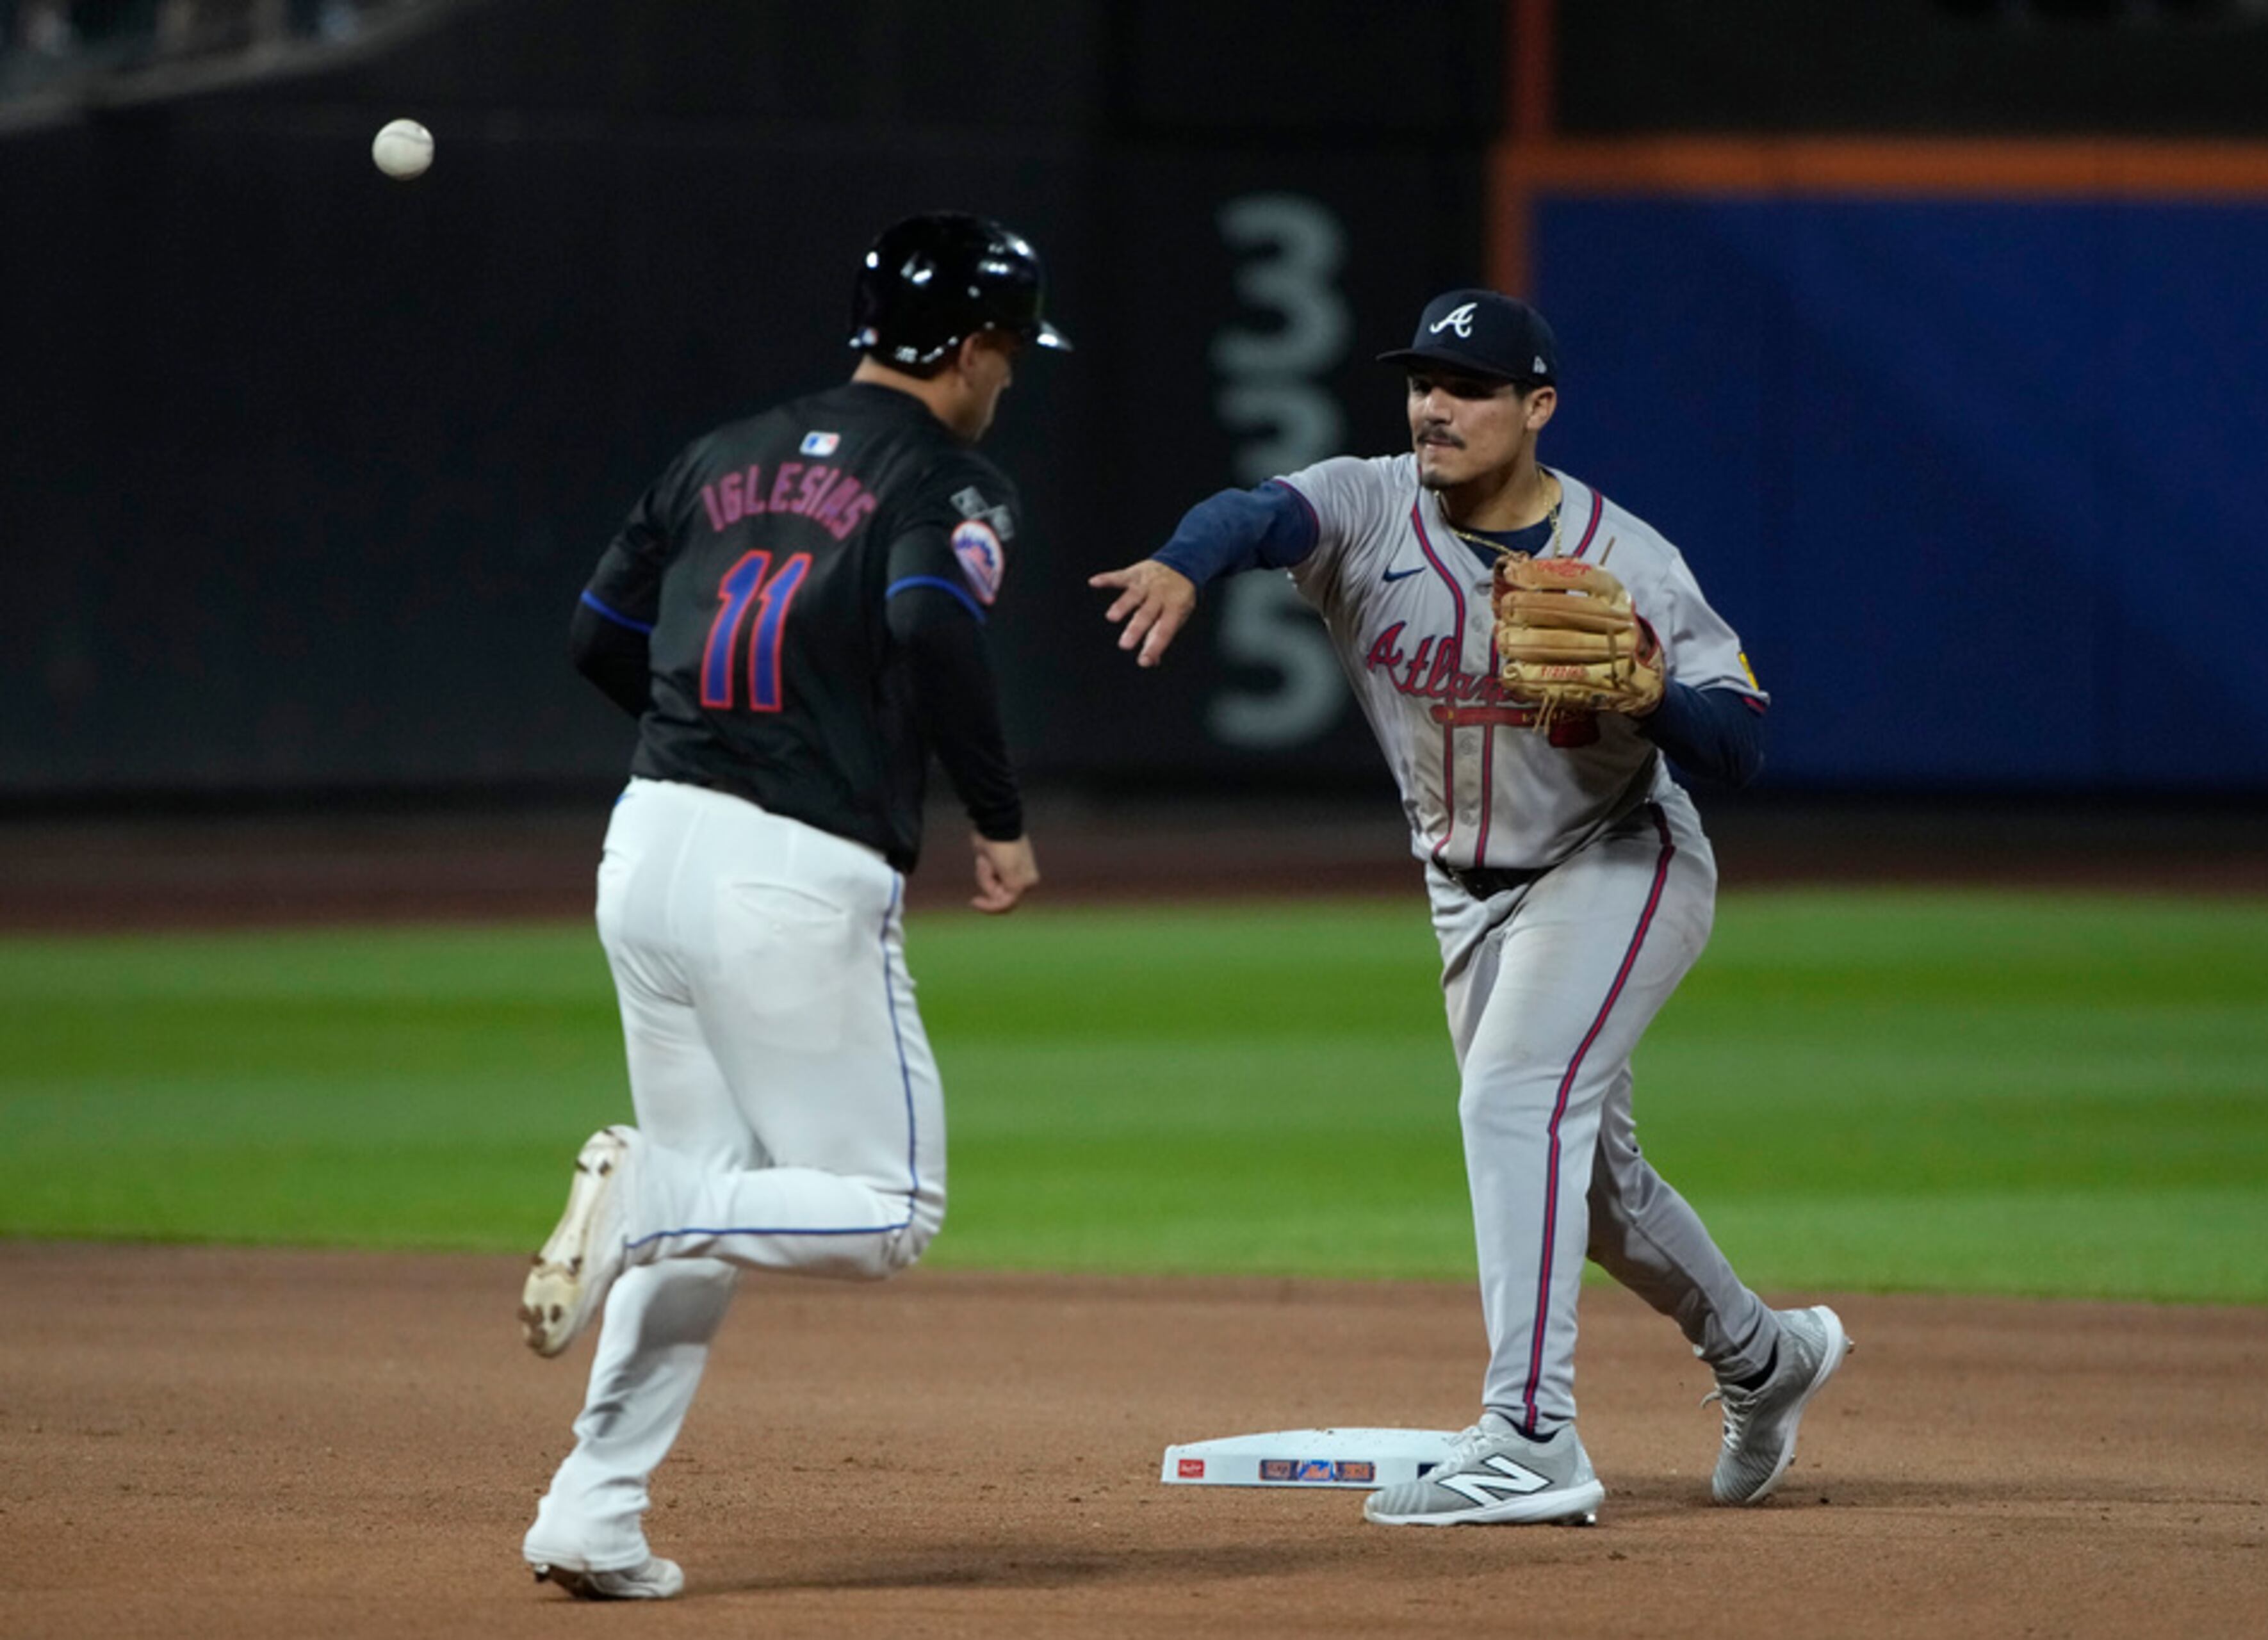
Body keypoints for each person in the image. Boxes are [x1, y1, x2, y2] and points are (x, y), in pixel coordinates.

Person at [1091, 289, 1850, 1527]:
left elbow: (1739, 744)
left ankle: (1532, 1436)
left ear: (1536, 408)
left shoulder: (1628, 558)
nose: (1433, 408)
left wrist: (1650, 694)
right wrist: (1185, 562)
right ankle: (1768, 1358)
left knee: (1511, 1100)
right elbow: (1254, 512)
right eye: (1421, 383)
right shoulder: (1366, 502)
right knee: (1596, 1194)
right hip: (1466, 897)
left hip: (1620, 859)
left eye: (1470, 388)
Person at [518, 212, 1063, 1598]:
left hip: (649, 839)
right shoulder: (947, 471)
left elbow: (599, 636)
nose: (1012, 375)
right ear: (975, 345)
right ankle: (645, 1198)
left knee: (720, 1196)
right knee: (887, 1207)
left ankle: (593, 1509)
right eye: (1009, 349)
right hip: (792, 873)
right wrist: (996, 820)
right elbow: (934, 622)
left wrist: (715, 745)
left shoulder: (723, 452)